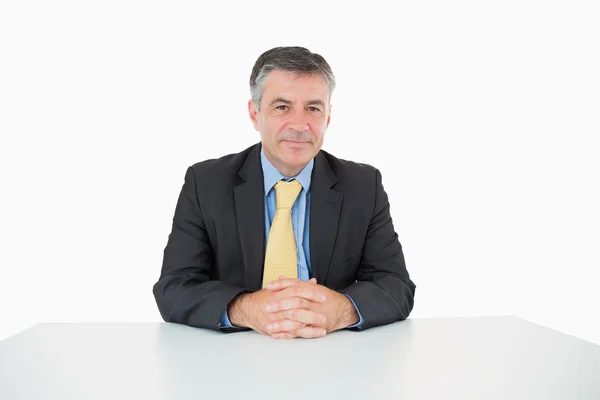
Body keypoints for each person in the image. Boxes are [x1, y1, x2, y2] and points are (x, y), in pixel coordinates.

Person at [153, 46, 416, 339]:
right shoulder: (205, 183)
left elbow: (396, 285)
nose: (300, 125)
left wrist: (341, 309)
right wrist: (247, 309)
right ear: (255, 114)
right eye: (282, 107)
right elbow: (173, 288)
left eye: (313, 109)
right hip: (233, 361)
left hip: (334, 356)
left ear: (328, 118)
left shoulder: (363, 185)